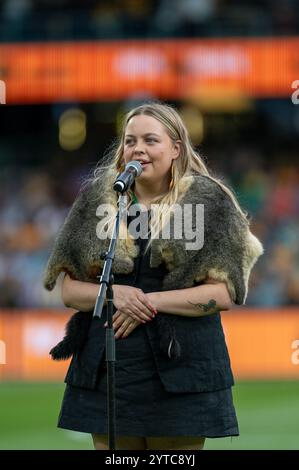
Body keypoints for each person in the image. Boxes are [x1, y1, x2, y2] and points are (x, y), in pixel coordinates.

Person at [43, 102, 263, 450]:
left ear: (176, 149)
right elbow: (69, 290)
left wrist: (144, 302)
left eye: (150, 140)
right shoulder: (98, 199)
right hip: (109, 366)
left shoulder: (209, 202)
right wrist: (118, 296)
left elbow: (223, 294)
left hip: (184, 368)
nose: (138, 149)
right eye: (130, 141)